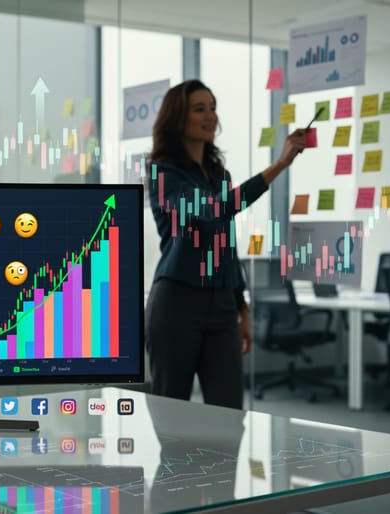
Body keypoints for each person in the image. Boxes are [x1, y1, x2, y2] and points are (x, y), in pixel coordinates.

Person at [144, 80, 306, 409]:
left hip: (221, 305)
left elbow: (226, 246)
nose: (210, 116)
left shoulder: (219, 175)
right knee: (171, 414)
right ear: (178, 118)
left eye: (213, 108)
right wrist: (279, 164)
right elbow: (213, 211)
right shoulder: (164, 174)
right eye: (199, 109)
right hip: (177, 301)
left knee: (229, 415)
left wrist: (241, 308)